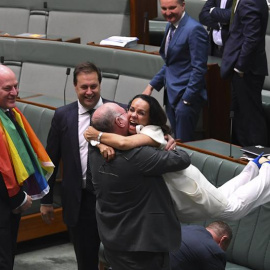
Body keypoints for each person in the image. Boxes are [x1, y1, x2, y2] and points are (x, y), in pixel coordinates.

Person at [85, 94, 270, 222]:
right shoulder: (135, 130)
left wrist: (97, 136)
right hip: (183, 187)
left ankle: (268, 170)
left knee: (231, 210)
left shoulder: (153, 131)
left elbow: (124, 145)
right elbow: (115, 140)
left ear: (151, 118)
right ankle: (254, 166)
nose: (133, 115)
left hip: (189, 186)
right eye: (131, 109)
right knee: (222, 195)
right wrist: (98, 142)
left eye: (141, 113)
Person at [40, 62, 125, 270]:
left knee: (123, 260)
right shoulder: (62, 116)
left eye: (93, 86)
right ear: (75, 87)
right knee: (86, 262)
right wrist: (46, 199)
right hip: (80, 200)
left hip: (115, 201)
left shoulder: (119, 111)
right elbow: (51, 158)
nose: (89, 92)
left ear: (100, 85)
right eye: (84, 87)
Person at [88, 102, 191, 270]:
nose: (132, 115)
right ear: (120, 122)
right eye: (127, 112)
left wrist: (99, 141)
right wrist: (164, 142)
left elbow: (91, 138)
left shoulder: (95, 150)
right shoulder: (137, 156)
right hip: (143, 249)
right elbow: (182, 159)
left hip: (112, 241)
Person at [0, 65, 54, 269]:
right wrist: (17, 198)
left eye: (16, 86)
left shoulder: (11, 114)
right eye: (7, 88)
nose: (14, 92)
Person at [143, 0, 208, 142]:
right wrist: (151, 86)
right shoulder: (170, 26)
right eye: (164, 8)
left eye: (172, 8)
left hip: (185, 98)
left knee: (184, 145)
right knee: (175, 143)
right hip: (171, 95)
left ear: (183, 5)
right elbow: (170, 64)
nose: (168, 12)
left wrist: (187, 100)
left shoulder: (194, 29)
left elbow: (199, 69)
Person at [220, 0, 269, 146]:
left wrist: (240, 67)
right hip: (244, 69)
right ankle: (244, 155)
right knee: (241, 116)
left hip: (247, 71)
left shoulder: (249, 1)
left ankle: (260, 159)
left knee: (251, 119)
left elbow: (251, 38)